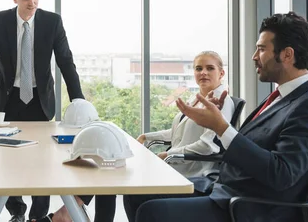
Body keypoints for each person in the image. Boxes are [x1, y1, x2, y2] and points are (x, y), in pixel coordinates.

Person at [127, 12, 308, 222]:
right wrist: (220, 122)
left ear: (287, 55)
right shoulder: (281, 97)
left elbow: (281, 174)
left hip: (248, 207)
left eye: (262, 49)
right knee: (135, 194)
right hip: (223, 189)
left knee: (152, 212)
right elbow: (251, 145)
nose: (254, 56)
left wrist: (221, 128)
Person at [48, 51, 235, 222]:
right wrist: (146, 135)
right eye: (198, 68)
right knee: (110, 170)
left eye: (210, 68)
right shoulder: (196, 99)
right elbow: (175, 133)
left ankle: (70, 209)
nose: (203, 73)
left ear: (221, 73)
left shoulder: (221, 102)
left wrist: (167, 155)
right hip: (176, 166)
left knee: (118, 176)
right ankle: (73, 209)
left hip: (192, 174)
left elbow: (209, 146)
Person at [0, 0, 84, 222]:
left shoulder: (52, 22)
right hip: (8, 98)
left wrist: (78, 101)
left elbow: (65, 61)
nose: (32, 2)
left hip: (40, 99)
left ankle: (38, 216)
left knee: (42, 159)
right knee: (7, 159)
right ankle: (16, 211)